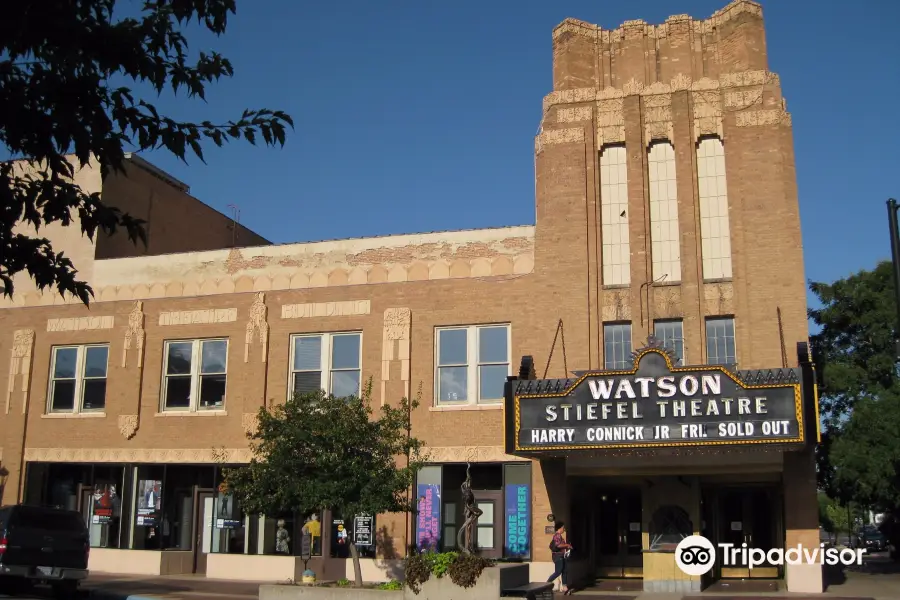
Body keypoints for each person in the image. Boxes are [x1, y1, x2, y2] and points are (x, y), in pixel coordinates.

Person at [547, 521, 574, 595]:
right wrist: (567, 545)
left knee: (565, 571)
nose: (564, 529)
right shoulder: (557, 535)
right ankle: (546, 584)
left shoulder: (560, 536)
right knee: (558, 571)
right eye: (563, 528)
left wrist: (567, 548)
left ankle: (565, 588)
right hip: (558, 556)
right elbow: (558, 545)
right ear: (560, 528)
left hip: (562, 555)